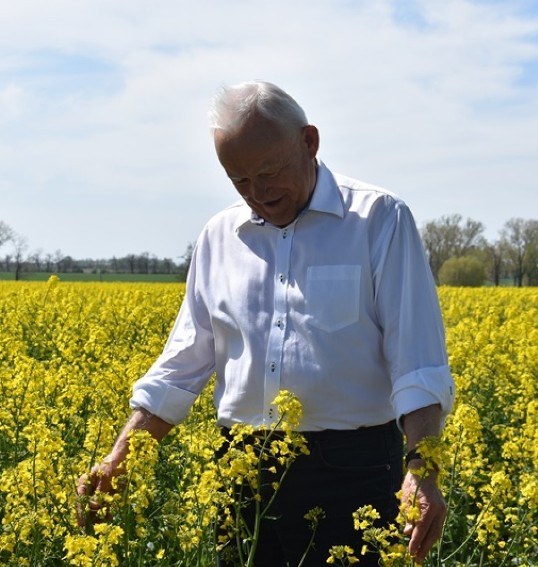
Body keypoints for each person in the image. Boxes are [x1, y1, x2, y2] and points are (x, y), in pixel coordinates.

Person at [77, 80, 455, 566]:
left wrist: (423, 470)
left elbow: (418, 364)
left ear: (309, 142)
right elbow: (182, 365)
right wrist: (119, 458)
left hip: (351, 469)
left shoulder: (379, 219)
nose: (258, 193)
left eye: (269, 172)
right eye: (240, 181)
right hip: (239, 471)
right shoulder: (219, 236)